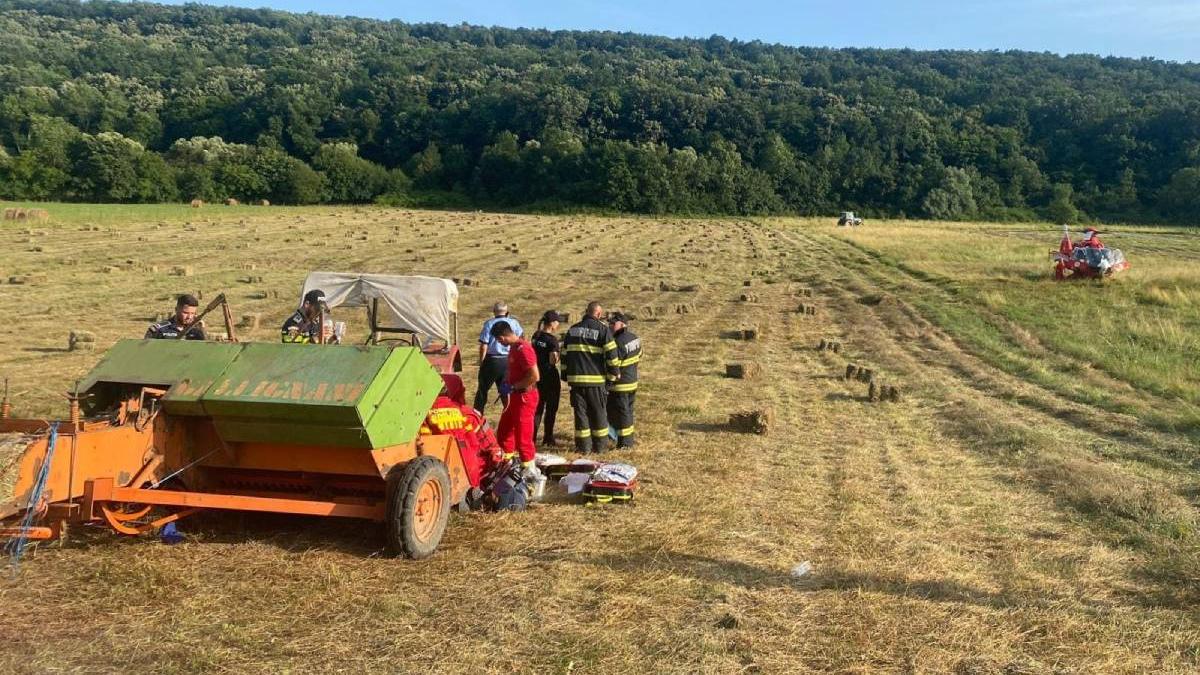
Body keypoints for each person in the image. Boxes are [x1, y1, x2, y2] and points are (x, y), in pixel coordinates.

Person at [563, 301, 619, 453]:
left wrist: (565, 375)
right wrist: (613, 375)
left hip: (576, 381)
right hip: (595, 381)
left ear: (586, 311)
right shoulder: (603, 330)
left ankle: (583, 447)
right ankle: (600, 447)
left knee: (581, 415)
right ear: (599, 314)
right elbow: (612, 356)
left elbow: (564, 354)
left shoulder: (572, 330)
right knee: (598, 414)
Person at [489, 321, 540, 476]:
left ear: (503, 337)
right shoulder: (513, 348)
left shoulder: (523, 349)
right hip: (515, 397)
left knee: (523, 437)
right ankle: (507, 464)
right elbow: (512, 370)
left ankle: (529, 470)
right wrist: (507, 381)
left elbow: (534, 376)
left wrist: (514, 386)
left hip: (525, 397)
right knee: (504, 432)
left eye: (499, 340)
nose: (499, 343)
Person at [474, 302, 523, 413]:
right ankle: (509, 412)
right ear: (507, 312)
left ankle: (478, 414)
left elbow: (484, 345)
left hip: (492, 360)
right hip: (508, 360)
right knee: (505, 390)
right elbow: (520, 340)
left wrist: (482, 362)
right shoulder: (514, 323)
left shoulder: (489, 324)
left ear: (494, 312)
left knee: (482, 390)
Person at [605, 312, 641, 449]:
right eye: (609, 323)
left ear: (622, 324)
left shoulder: (617, 342)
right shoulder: (634, 338)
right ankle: (628, 439)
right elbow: (639, 355)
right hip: (632, 382)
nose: (610, 325)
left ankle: (625, 443)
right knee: (628, 412)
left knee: (621, 414)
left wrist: (608, 384)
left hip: (620, 386)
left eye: (613, 323)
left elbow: (614, 367)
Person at [531, 310, 563, 446]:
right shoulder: (552, 340)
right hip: (550, 376)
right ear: (552, 323)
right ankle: (548, 437)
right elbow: (552, 360)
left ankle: (531, 437)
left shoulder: (536, 335)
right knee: (551, 408)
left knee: (537, 408)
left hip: (536, 375)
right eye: (557, 322)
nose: (558, 325)